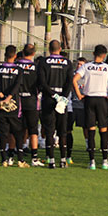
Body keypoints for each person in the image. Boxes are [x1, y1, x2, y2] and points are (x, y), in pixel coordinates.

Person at [72, 44, 108, 170]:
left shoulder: (86, 66)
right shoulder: (107, 68)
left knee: (91, 130)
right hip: (102, 100)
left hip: (89, 99)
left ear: (93, 54)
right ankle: (105, 161)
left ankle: (92, 162)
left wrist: (79, 94)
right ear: (104, 55)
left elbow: (74, 79)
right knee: (103, 130)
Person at [38, 40, 74, 169]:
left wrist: (53, 95)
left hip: (48, 99)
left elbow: (42, 81)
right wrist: (63, 97)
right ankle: (63, 160)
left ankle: (51, 160)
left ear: (49, 49)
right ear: (60, 48)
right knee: (62, 131)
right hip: (62, 101)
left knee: (49, 131)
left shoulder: (44, 62)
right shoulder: (67, 63)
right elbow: (70, 82)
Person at [0, 45, 28, 167]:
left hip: (1, 105)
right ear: (15, 55)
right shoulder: (18, 70)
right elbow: (17, 86)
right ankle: (20, 160)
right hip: (13, 105)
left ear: (5, 55)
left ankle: (4, 160)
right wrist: (8, 98)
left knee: (3, 133)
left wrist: (1, 96)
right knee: (17, 132)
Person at [16, 43, 43, 167]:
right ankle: (34, 158)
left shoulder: (16, 65)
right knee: (33, 131)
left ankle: (15, 156)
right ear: (33, 53)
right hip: (31, 101)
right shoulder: (36, 67)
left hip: (17, 101)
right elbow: (41, 84)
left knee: (17, 130)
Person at [66, 57, 88, 165]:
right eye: (78, 64)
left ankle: (88, 145)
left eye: (81, 64)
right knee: (68, 130)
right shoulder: (72, 76)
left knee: (86, 127)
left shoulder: (88, 77)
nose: (79, 66)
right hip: (72, 106)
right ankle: (67, 155)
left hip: (83, 107)